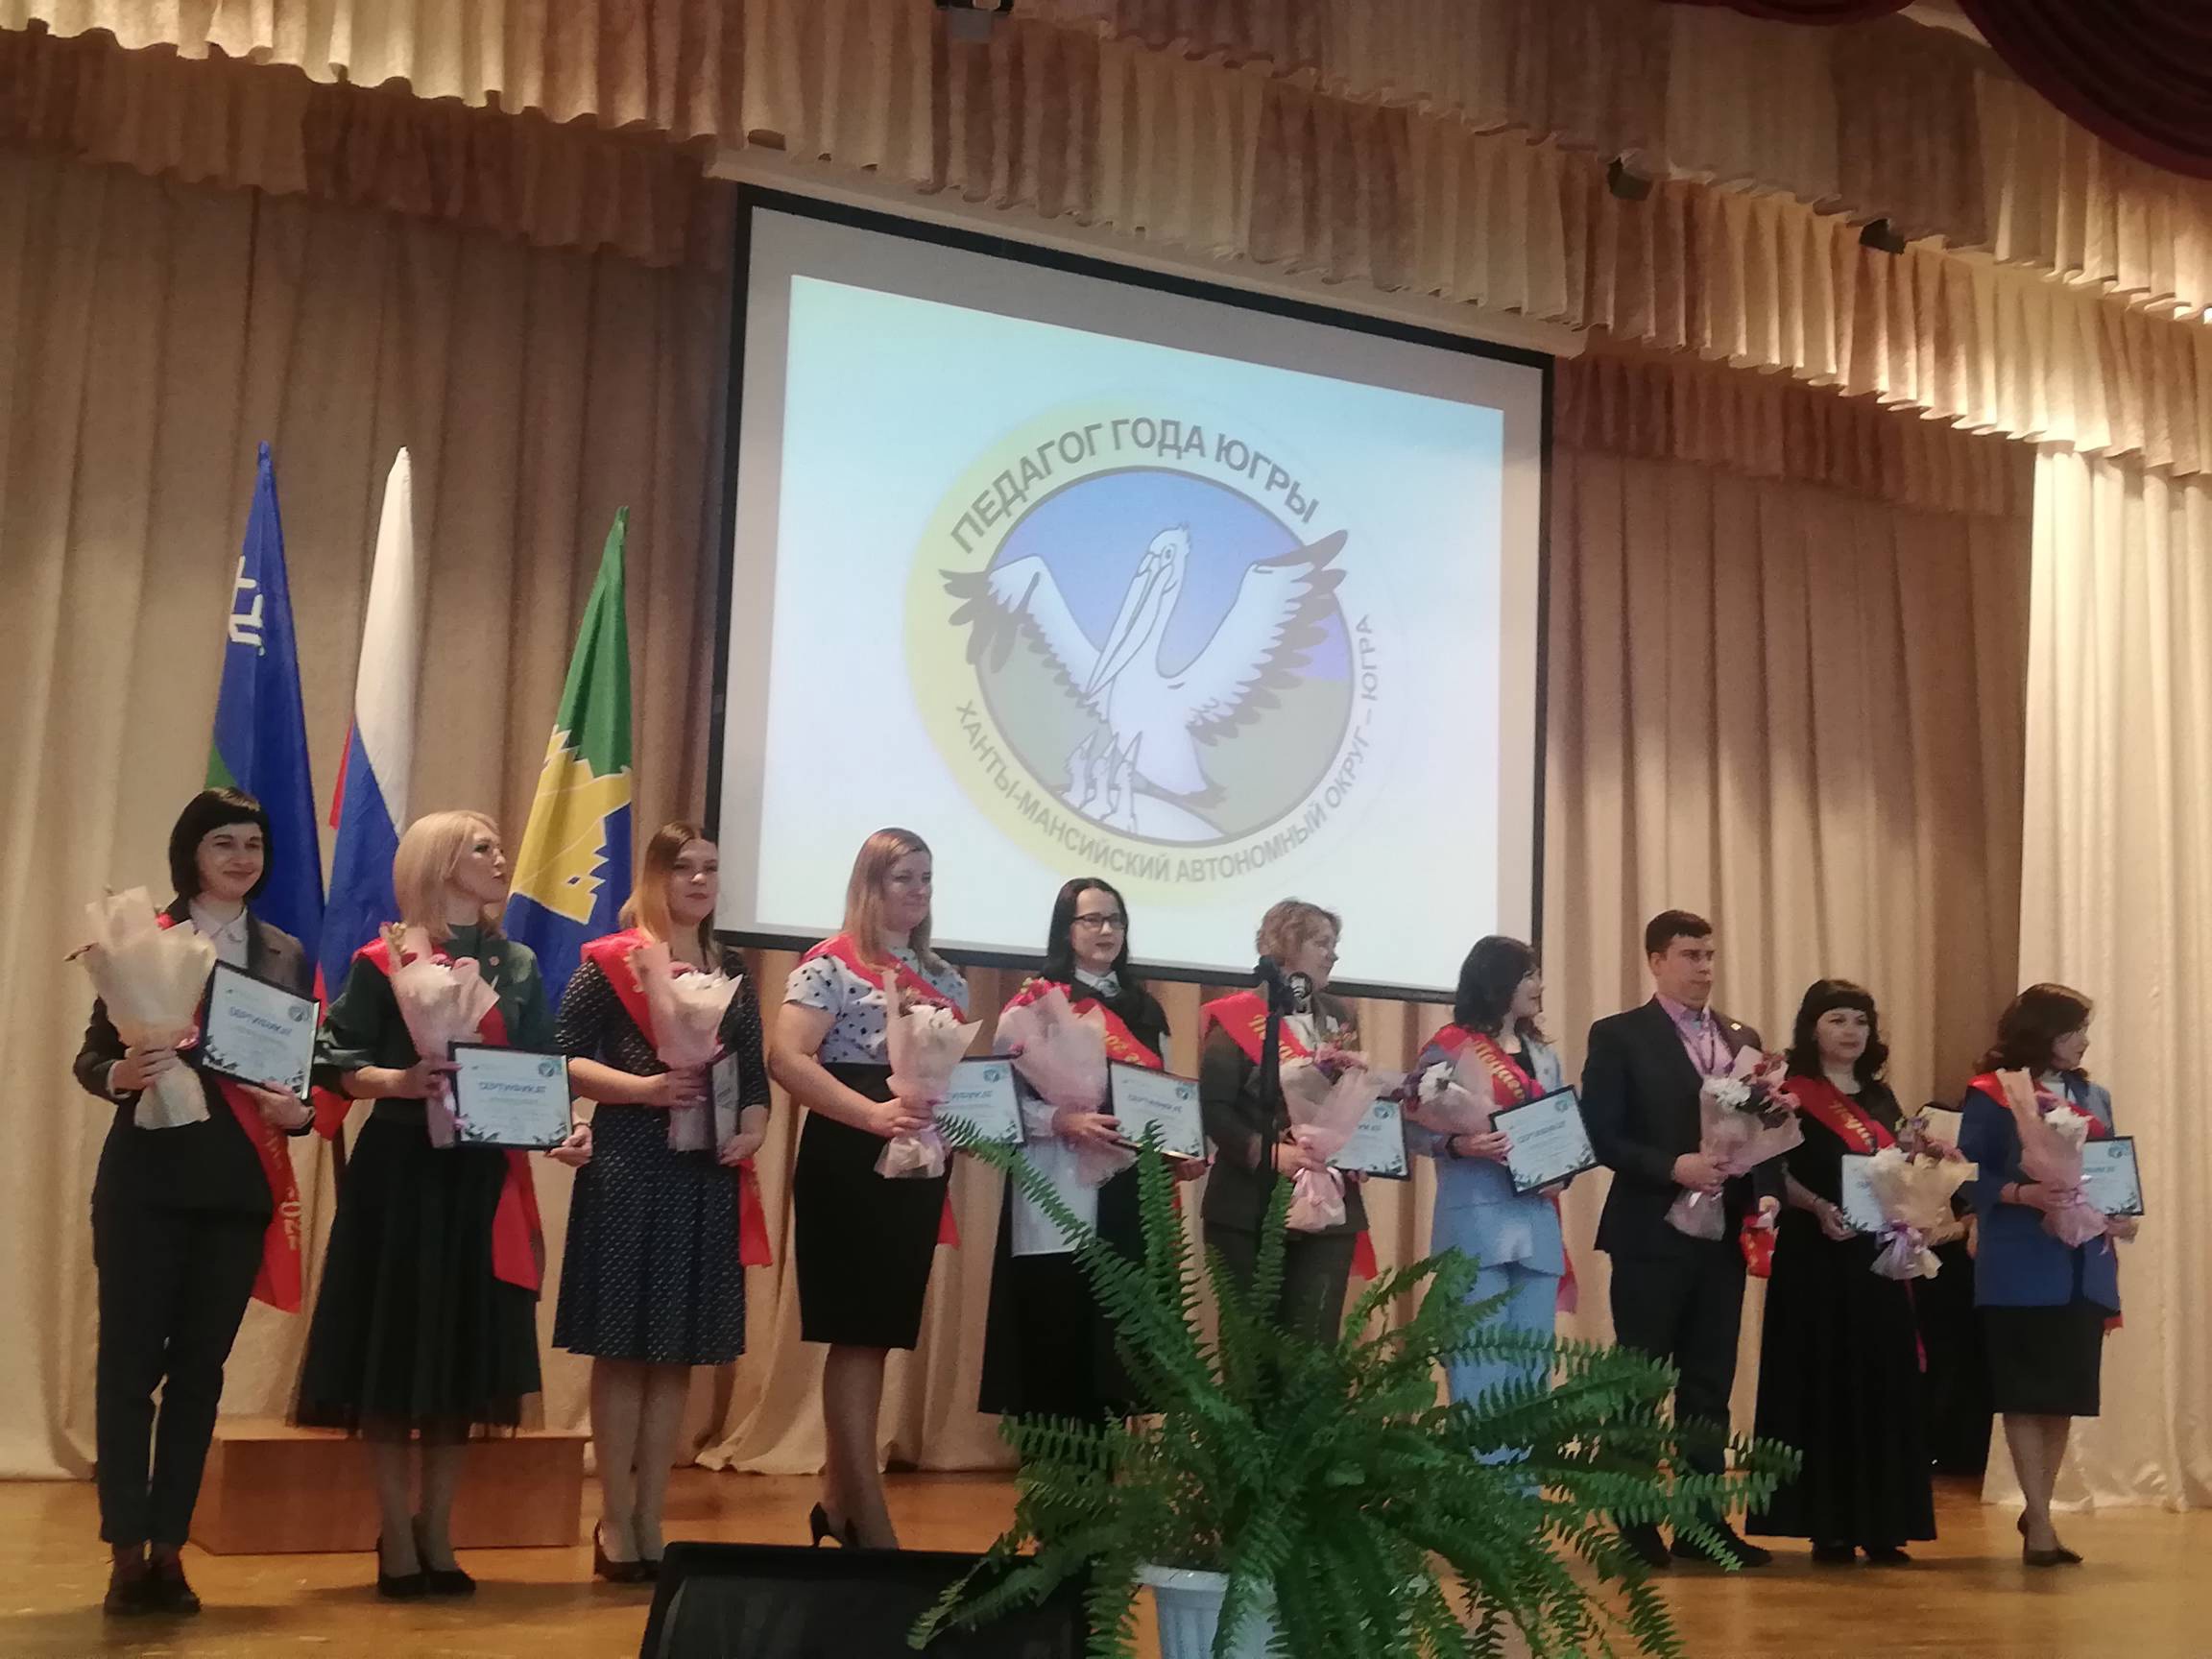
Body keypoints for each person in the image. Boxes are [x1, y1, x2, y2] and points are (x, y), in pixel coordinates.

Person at [294, 810, 592, 1599]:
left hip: (481, 1176)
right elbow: (335, 1060)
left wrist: (564, 1127)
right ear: (438, 862)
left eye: (499, 846)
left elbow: (542, 1063)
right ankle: (395, 1530)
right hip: (401, 1174)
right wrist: (400, 1081)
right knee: (394, 1354)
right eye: (482, 847)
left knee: (463, 1356)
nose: (500, 858)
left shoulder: (516, 963)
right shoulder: (383, 959)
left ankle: (438, 1529)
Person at [73, 789, 316, 1617]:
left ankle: (172, 1551)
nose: (242, 858)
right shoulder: (144, 937)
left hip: (237, 1188)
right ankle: (125, 1552)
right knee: (128, 1371)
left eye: (254, 844)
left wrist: (301, 1110)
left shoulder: (285, 952)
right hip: (145, 1184)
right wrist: (119, 1073)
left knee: (199, 1376)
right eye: (224, 843)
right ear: (192, 853)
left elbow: (304, 1067)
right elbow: (91, 1055)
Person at [553, 824, 770, 1582]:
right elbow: (562, 1056)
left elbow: (752, 1075)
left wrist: (752, 1128)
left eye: (711, 867)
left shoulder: (730, 966)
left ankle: (652, 1517)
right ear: (654, 876)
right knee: (622, 1349)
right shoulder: (611, 962)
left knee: (675, 1352)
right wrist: (643, 1089)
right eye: (684, 868)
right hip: (628, 1164)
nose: (700, 880)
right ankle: (615, 1518)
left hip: (703, 1172)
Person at [770, 828, 969, 1551]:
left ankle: (836, 1504)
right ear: (870, 885)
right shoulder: (830, 965)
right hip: (848, 1153)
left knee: (879, 1336)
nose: (917, 891)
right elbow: (785, 1057)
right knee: (855, 1335)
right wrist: (869, 1114)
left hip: (915, 1161)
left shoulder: (946, 980)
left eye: (926, 878)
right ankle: (868, 1513)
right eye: (902, 877)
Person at [1581, 909, 1782, 1570]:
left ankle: (1702, 1524)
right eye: (1690, 955)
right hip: (1651, 1230)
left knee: (1708, 1383)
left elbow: (1765, 1130)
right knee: (1640, 1381)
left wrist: (1767, 1191)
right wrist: (1673, 1166)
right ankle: (1634, 1522)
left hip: (1723, 1236)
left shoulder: (1742, 1038)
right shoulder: (1619, 1035)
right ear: (1656, 961)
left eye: (1709, 955)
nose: (1704, 968)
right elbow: (1602, 1134)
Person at [978, 878, 1199, 1422]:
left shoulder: (1147, 1010)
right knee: (1058, 1340)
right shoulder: (1034, 1004)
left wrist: (1184, 1149)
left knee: (1117, 1351)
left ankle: (1107, 1472)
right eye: (1092, 919)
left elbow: (1163, 1096)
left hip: (1131, 1192)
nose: (1106, 930)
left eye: (1115, 920)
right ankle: (1056, 1473)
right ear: (1066, 929)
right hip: (1061, 1186)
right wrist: (1061, 1119)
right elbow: (1000, 1102)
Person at [1747, 979, 1936, 1564]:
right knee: (1822, 1382)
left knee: (1882, 1384)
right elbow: (1770, 1168)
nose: (1851, 1031)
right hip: (1816, 1255)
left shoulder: (1882, 1097)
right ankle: (1826, 1524)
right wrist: (1816, 1206)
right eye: (1837, 1020)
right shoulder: (1790, 1092)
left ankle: (1882, 1524)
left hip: (1877, 1258)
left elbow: (1898, 1168)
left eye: (1860, 1020)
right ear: (1812, 1028)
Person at [1959, 983, 2134, 1568]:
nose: (2084, 1041)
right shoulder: (1993, 1094)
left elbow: (2110, 1168)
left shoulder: (2095, 1096)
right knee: (2025, 1392)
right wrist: (2023, 1192)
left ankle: (2040, 1509)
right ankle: (2039, 1520)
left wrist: (2121, 1211)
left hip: (2084, 1263)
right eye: (2073, 1030)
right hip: (2021, 1262)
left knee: (2061, 1397)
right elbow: (1965, 1175)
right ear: (2042, 1032)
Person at [1407, 936, 1572, 1418]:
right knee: (1478, 1365)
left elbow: (1562, 1130)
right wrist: (1459, 1145)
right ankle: (1481, 1470)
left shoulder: (1543, 1056)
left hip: (1537, 1224)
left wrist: (1564, 1171)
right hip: (1475, 1224)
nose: (1539, 985)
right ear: (1498, 981)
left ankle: (1523, 1471)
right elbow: (1411, 1127)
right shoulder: (1448, 1047)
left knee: (1530, 1370)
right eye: (1528, 975)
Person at [1197, 899, 1364, 1344]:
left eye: (1334, 944)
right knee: (1251, 1354)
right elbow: (1214, 1108)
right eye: (1321, 943)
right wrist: (1269, 1154)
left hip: (1326, 1204)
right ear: (1286, 945)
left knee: (1314, 1350)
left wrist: (1362, 1150)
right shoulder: (1237, 1016)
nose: (1333, 954)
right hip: (1247, 1204)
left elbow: (1351, 1100)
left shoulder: (1340, 1016)